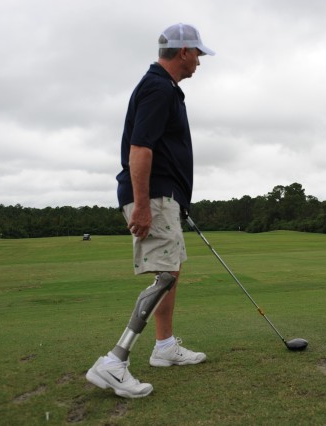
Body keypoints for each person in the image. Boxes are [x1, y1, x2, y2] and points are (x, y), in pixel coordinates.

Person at [86, 23, 215, 398]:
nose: (200, 62)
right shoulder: (158, 88)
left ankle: (164, 347)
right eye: (198, 54)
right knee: (164, 277)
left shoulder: (164, 88)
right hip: (152, 197)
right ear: (184, 52)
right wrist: (143, 206)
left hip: (164, 196)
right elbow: (140, 149)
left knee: (170, 271)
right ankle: (115, 361)